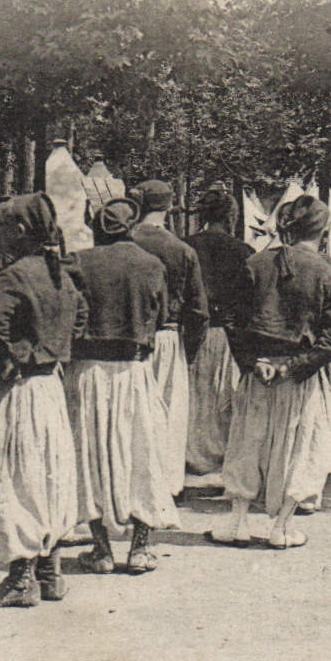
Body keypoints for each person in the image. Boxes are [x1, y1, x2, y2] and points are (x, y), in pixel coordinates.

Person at [0, 194, 87, 608]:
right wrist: (50, 350)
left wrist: (17, 356)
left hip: (18, 391)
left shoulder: (15, 275)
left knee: (13, 478)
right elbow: (81, 318)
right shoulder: (60, 273)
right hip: (49, 387)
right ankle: (50, 571)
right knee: (49, 476)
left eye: (0, 231)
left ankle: (20, 580)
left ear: (17, 232)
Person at [210, 195, 331, 549]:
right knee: (300, 448)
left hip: (258, 372)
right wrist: (291, 367)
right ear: (325, 229)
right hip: (300, 376)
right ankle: (282, 528)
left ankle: (238, 522)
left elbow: (231, 318)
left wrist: (252, 362)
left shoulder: (256, 264)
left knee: (246, 443)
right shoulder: (329, 270)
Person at [65, 198, 179, 575]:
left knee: (90, 455)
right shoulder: (150, 264)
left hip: (88, 371)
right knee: (142, 454)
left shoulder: (78, 262)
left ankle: (100, 550)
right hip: (133, 370)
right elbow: (161, 316)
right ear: (131, 228)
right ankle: (140, 548)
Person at [127, 179, 208, 500]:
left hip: (128, 338)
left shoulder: (122, 241)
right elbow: (199, 310)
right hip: (168, 336)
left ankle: (131, 484)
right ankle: (167, 485)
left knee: (132, 414)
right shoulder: (182, 250)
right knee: (169, 414)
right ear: (169, 206)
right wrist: (188, 351)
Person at [182, 188, 254, 477]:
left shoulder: (186, 246)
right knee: (225, 395)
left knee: (194, 397)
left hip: (192, 331)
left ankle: (192, 455)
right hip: (227, 333)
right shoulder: (244, 252)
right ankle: (223, 456)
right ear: (232, 217)